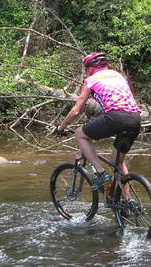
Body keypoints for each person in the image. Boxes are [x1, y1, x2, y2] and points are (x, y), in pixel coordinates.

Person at [54, 52, 142, 189]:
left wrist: (61, 127)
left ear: (90, 68)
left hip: (116, 117)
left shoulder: (91, 80)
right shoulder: (118, 75)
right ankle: (128, 203)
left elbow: (76, 110)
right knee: (117, 163)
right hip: (135, 118)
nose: (86, 72)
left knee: (80, 134)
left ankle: (101, 174)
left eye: (86, 69)